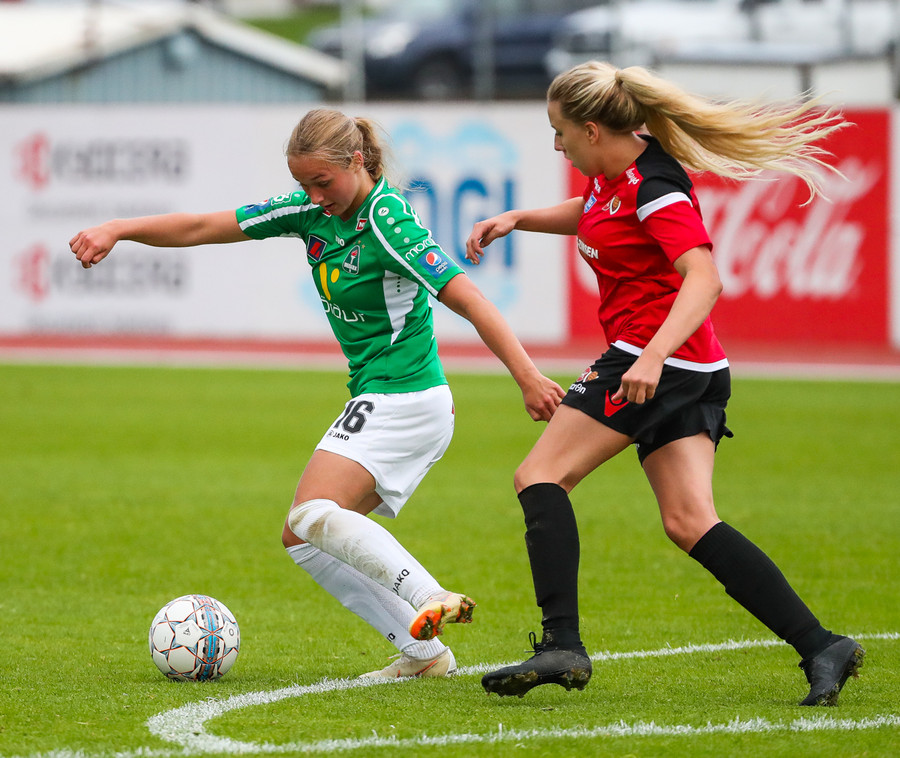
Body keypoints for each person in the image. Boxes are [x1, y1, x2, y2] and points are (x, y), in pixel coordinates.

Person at [70, 108, 565, 679]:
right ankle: (426, 656)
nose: (314, 196)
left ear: (356, 161)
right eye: (303, 183)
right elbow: (202, 226)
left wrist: (527, 376)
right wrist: (119, 228)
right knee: (302, 536)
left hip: (406, 395)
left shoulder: (388, 222)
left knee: (311, 512)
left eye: (322, 182)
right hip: (384, 396)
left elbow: (468, 298)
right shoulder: (312, 211)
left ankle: (429, 594)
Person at [465, 61, 864, 705]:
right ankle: (823, 645)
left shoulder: (655, 187)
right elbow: (595, 212)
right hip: (692, 365)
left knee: (539, 476)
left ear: (591, 129)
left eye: (559, 131)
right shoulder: (615, 173)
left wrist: (651, 357)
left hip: (654, 360)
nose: (556, 145)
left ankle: (562, 644)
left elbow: (704, 276)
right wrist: (519, 218)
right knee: (689, 520)